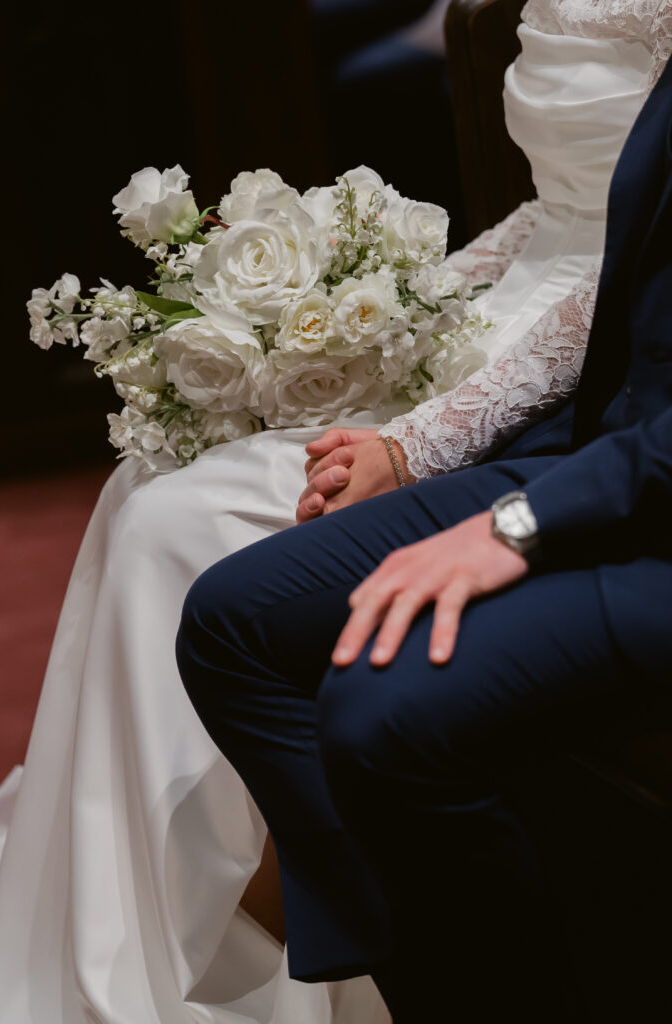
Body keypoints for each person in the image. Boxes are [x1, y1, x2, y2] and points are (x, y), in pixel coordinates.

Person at [0, 2, 670, 1022]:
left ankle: (396, 977)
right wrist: (396, 310)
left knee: (234, 565)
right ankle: (206, 936)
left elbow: (612, 283)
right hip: (572, 373)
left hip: (597, 416)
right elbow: (573, 212)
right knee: (168, 526)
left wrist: (435, 445)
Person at [176, 40, 672, 1023]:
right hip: (612, 448)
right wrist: (441, 451)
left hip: (652, 505)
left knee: (378, 705)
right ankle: (427, 970)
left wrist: (520, 521)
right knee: (233, 618)